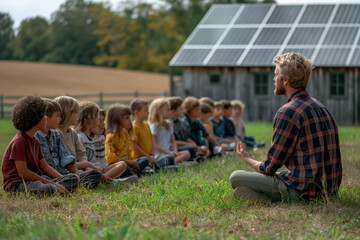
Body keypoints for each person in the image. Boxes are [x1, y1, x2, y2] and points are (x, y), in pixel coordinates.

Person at [229, 52, 342, 202]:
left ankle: (274, 199)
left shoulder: (288, 111)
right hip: (328, 191)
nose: (274, 79)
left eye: (276, 75)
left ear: (286, 80)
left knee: (235, 177)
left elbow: (270, 167)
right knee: (241, 190)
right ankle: (261, 197)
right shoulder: (322, 108)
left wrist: (247, 158)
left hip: (304, 192)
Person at [2, 96, 77, 195]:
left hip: (35, 179)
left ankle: (56, 187)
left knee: (73, 178)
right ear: (35, 120)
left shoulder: (35, 141)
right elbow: (23, 173)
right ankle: (53, 188)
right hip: (18, 182)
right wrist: (51, 183)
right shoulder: (19, 142)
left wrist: (62, 178)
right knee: (46, 187)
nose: (46, 117)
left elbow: (45, 167)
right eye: (43, 115)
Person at [75, 101, 128, 184]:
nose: (98, 118)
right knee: (93, 173)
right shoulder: (80, 137)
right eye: (96, 115)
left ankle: (102, 180)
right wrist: (92, 168)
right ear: (88, 117)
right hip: (88, 169)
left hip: (102, 169)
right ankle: (110, 181)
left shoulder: (97, 137)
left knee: (122, 164)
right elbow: (81, 161)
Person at [54, 96, 102, 189]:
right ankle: (109, 179)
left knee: (94, 174)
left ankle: (78, 183)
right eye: (75, 113)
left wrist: (87, 167)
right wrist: (87, 165)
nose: (78, 116)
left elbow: (81, 154)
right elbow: (60, 163)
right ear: (68, 113)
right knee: (78, 177)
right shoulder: (56, 133)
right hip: (64, 171)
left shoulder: (72, 133)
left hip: (77, 170)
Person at [34, 98, 80, 190]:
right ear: (46, 117)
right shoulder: (36, 137)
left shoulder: (56, 134)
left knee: (93, 174)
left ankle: (66, 184)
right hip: (45, 176)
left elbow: (65, 158)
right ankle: (57, 186)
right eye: (57, 116)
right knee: (43, 182)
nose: (60, 119)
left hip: (60, 173)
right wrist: (63, 178)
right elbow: (42, 167)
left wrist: (76, 174)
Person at [104, 104, 148, 180]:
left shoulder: (126, 134)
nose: (130, 121)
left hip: (129, 164)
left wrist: (132, 162)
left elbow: (129, 154)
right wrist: (130, 162)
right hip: (118, 165)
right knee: (124, 167)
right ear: (117, 119)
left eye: (130, 118)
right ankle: (135, 172)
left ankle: (134, 172)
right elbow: (111, 159)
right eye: (127, 118)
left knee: (144, 160)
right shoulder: (111, 137)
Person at [130, 98, 176, 171]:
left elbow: (151, 142)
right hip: (140, 159)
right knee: (145, 161)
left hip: (149, 158)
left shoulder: (146, 125)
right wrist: (148, 157)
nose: (148, 112)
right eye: (145, 110)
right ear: (136, 113)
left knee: (170, 158)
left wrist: (151, 154)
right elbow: (134, 147)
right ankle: (155, 169)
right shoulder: (134, 127)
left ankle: (155, 168)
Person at [148, 98, 191, 166]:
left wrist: (175, 151)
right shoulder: (154, 126)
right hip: (159, 155)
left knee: (187, 153)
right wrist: (168, 153)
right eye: (167, 110)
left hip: (169, 153)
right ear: (159, 112)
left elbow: (173, 141)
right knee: (169, 158)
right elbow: (154, 145)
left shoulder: (169, 124)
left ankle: (172, 163)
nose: (170, 112)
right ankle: (172, 164)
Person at [168, 96, 204, 161]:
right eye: (180, 109)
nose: (183, 110)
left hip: (185, 146)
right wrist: (189, 144)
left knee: (201, 148)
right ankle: (194, 159)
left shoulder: (183, 123)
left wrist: (196, 146)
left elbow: (188, 138)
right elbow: (172, 142)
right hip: (174, 147)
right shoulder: (169, 124)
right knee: (190, 148)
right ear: (173, 111)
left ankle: (195, 157)